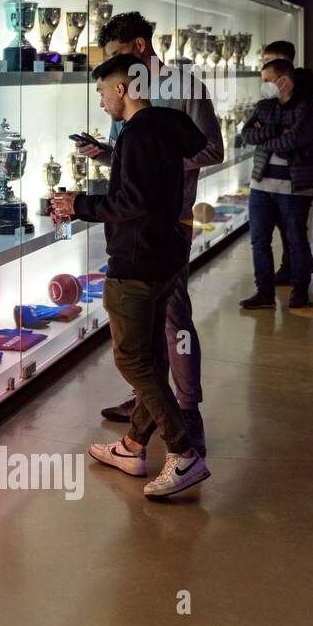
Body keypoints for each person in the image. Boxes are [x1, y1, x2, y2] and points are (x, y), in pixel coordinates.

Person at [51, 53, 210, 498]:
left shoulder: (138, 135)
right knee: (154, 358)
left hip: (136, 262)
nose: (102, 102)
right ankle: (133, 446)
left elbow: (130, 203)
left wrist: (76, 204)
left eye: (102, 92)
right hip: (167, 256)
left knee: (132, 360)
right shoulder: (164, 125)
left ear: (121, 89)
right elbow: (153, 184)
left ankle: (182, 454)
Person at [79, 11, 221, 457]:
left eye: (119, 55)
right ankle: (148, 403)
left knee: (175, 318)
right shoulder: (124, 93)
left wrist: (156, 166)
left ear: (140, 47)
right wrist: (103, 153)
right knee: (145, 327)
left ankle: (187, 410)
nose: (112, 70)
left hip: (170, 221)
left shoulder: (187, 88)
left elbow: (212, 149)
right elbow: (128, 158)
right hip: (132, 226)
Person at [240, 58, 313, 310]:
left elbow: (296, 141)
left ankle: (300, 291)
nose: (263, 85)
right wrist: (277, 132)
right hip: (261, 185)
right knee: (259, 240)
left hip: (295, 186)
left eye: (267, 80)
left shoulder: (308, 108)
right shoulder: (264, 106)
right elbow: (247, 135)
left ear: (284, 80)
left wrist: (266, 137)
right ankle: (264, 292)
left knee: (295, 239)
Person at [260, 41, 313, 283]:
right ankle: (297, 265)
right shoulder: (279, 92)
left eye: (269, 59)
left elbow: (291, 134)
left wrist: (267, 136)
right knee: (288, 226)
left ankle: (298, 271)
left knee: (292, 226)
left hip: (297, 171)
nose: (265, 65)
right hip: (281, 172)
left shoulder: (300, 95)